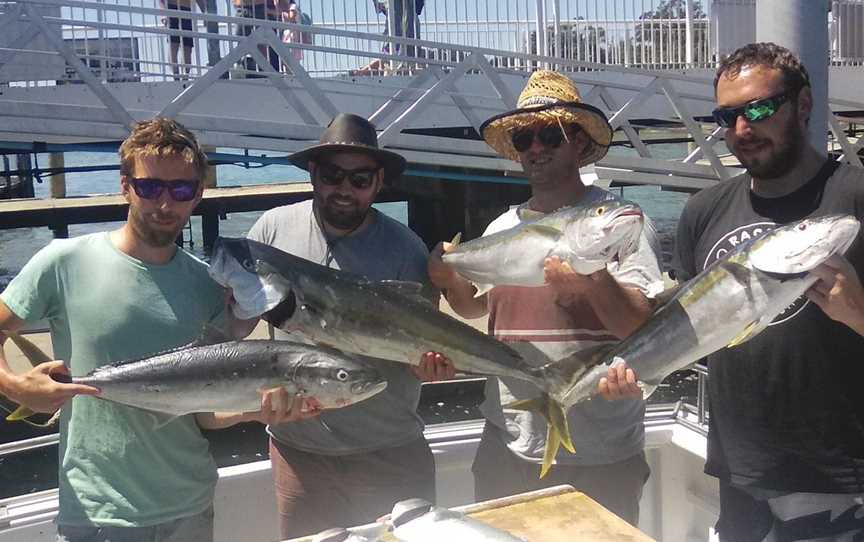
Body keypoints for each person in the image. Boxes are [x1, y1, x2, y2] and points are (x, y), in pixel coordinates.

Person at [0, 117, 308, 542]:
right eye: (150, 187)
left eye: (181, 190)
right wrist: (15, 387)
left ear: (198, 193)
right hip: (97, 511)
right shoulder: (63, 261)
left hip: (191, 506)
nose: (165, 204)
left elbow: (204, 412)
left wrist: (258, 410)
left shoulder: (206, 285)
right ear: (125, 185)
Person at [427, 70, 663, 525]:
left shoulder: (618, 223)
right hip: (507, 440)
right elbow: (477, 307)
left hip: (599, 451)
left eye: (549, 136)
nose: (535, 148)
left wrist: (594, 282)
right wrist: (448, 278)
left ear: (578, 143)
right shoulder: (500, 229)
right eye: (524, 138)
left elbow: (640, 328)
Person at [664, 42, 864, 540]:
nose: (741, 130)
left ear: (803, 104)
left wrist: (860, 314)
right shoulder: (702, 211)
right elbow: (684, 326)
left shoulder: (856, 198)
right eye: (726, 116)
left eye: (758, 108)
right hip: (738, 473)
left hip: (838, 482)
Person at [246, 112, 456, 539]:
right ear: (313, 174)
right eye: (332, 175)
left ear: (380, 182)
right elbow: (233, 323)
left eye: (360, 179)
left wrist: (430, 366)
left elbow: (425, 345)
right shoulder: (270, 229)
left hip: (390, 452)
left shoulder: (405, 249)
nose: (344, 188)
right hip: (297, 453)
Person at [160, 0, 196, 79]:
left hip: (186, 10)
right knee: (173, 45)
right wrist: (164, 13)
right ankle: (175, 76)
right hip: (171, 8)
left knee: (187, 47)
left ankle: (185, 76)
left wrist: (205, 12)